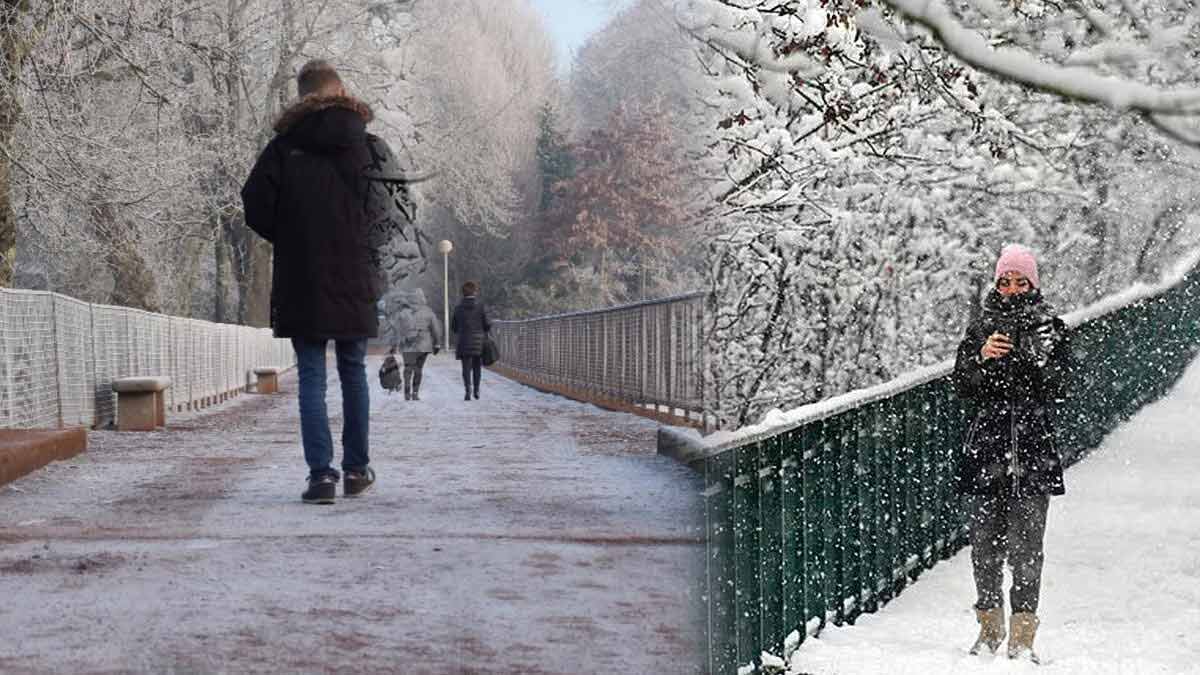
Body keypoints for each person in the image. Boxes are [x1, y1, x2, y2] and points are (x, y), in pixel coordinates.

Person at [241, 59, 399, 504]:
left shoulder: (283, 149)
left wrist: (292, 235)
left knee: (311, 375)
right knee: (353, 372)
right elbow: (391, 210)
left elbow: (254, 205)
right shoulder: (371, 148)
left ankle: (321, 477)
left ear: (302, 96)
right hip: (356, 278)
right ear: (341, 91)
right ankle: (356, 470)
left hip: (302, 277)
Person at [952, 244, 1072, 663]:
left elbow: (1062, 388)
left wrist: (1042, 359)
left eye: (1022, 281)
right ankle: (989, 627)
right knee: (983, 545)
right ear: (997, 282)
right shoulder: (982, 327)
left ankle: (1023, 635)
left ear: (1033, 284)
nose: (1013, 288)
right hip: (988, 448)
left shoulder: (1050, 327)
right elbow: (962, 386)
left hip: (1032, 450)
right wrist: (982, 358)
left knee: (1027, 549)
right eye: (1007, 280)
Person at [390, 289, 442, 400]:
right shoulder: (428, 311)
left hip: (407, 343)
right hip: (424, 344)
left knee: (408, 368)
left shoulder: (403, 312)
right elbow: (435, 329)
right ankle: (415, 392)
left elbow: (396, 330)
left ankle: (407, 391)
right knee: (418, 368)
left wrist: (394, 344)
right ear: (422, 298)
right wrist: (437, 344)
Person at [451, 280, 491, 401]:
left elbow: (453, 327)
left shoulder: (458, 308)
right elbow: (487, 324)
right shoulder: (480, 307)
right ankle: (476, 390)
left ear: (463, 293)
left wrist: (461, 330)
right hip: (478, 342)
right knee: (477, 366)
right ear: (475, 292)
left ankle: (467, 390)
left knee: (466, 368)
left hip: (464, 341)